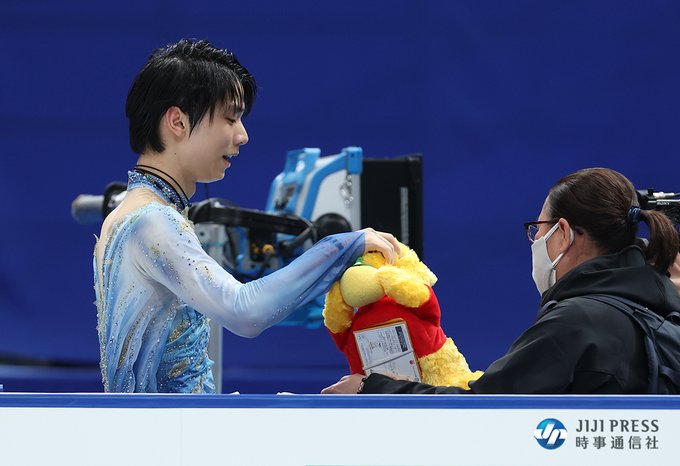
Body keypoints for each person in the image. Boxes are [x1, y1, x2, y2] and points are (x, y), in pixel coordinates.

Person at [94, 39, 400, 393]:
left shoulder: (126, 215)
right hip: (175, 427)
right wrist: (342, 247)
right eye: (230, 118)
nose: (243, 136)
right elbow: (245, 312)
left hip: (167, 425)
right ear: (177, 121)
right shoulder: (153, 222)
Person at [322, 167, 680, 395]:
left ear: (563, 234)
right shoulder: (662, 315)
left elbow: (485, 413)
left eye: (538, 229)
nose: (535, 241)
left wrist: (373, 389)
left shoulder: (578, 322)